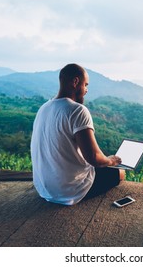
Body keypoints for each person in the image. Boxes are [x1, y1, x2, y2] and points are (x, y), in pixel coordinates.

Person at [30, 63, 125, 205]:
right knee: (120, 173)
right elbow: (94, 158)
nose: (86, 90)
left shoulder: (44, 108)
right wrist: (111, 161)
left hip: (44, 189)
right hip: (68, 191)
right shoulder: (77, 110)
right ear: (75, 82)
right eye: (86, 85)